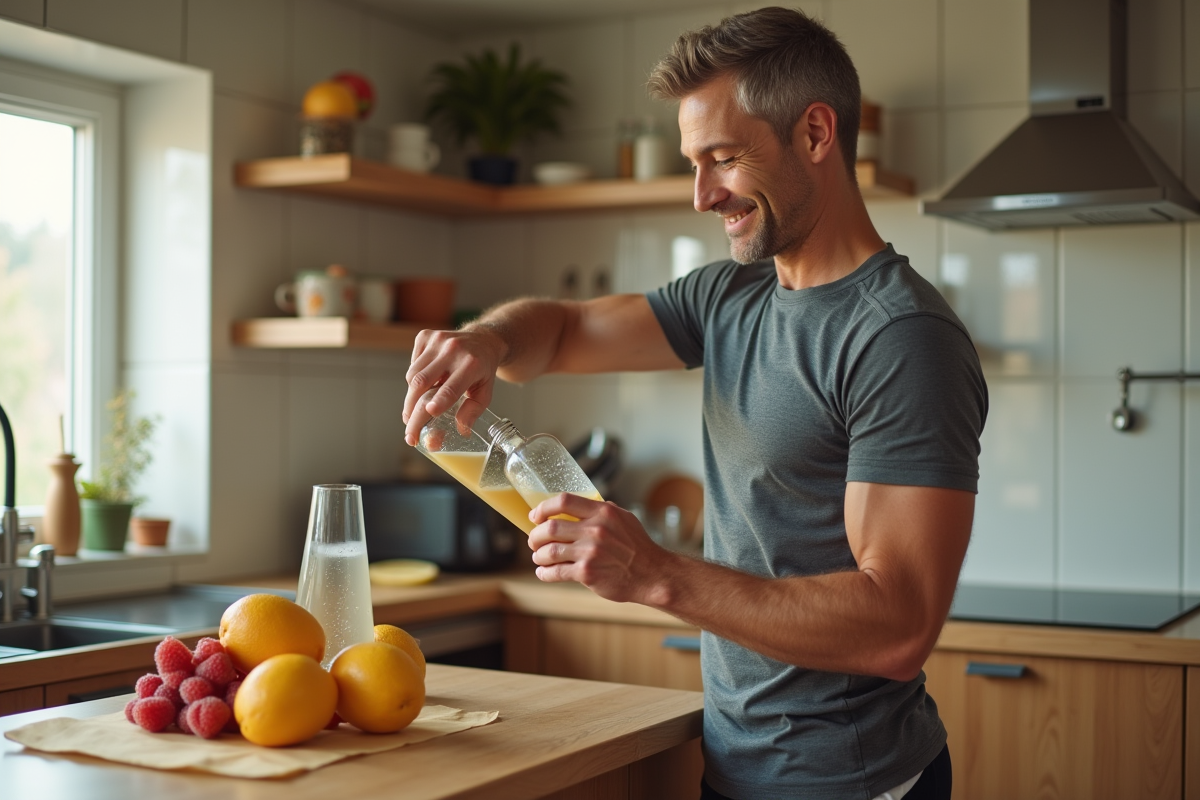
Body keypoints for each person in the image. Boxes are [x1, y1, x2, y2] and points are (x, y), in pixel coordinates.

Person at [402, 7, 986, 800]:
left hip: (852, 784)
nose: (702, 194)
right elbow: (567, 330)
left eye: (723, 158)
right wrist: (488, 341)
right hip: (736, 767)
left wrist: (654, 573)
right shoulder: (732, 294)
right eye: (693, 161)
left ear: (815, 134)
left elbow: (898, 625)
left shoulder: (899, 338)